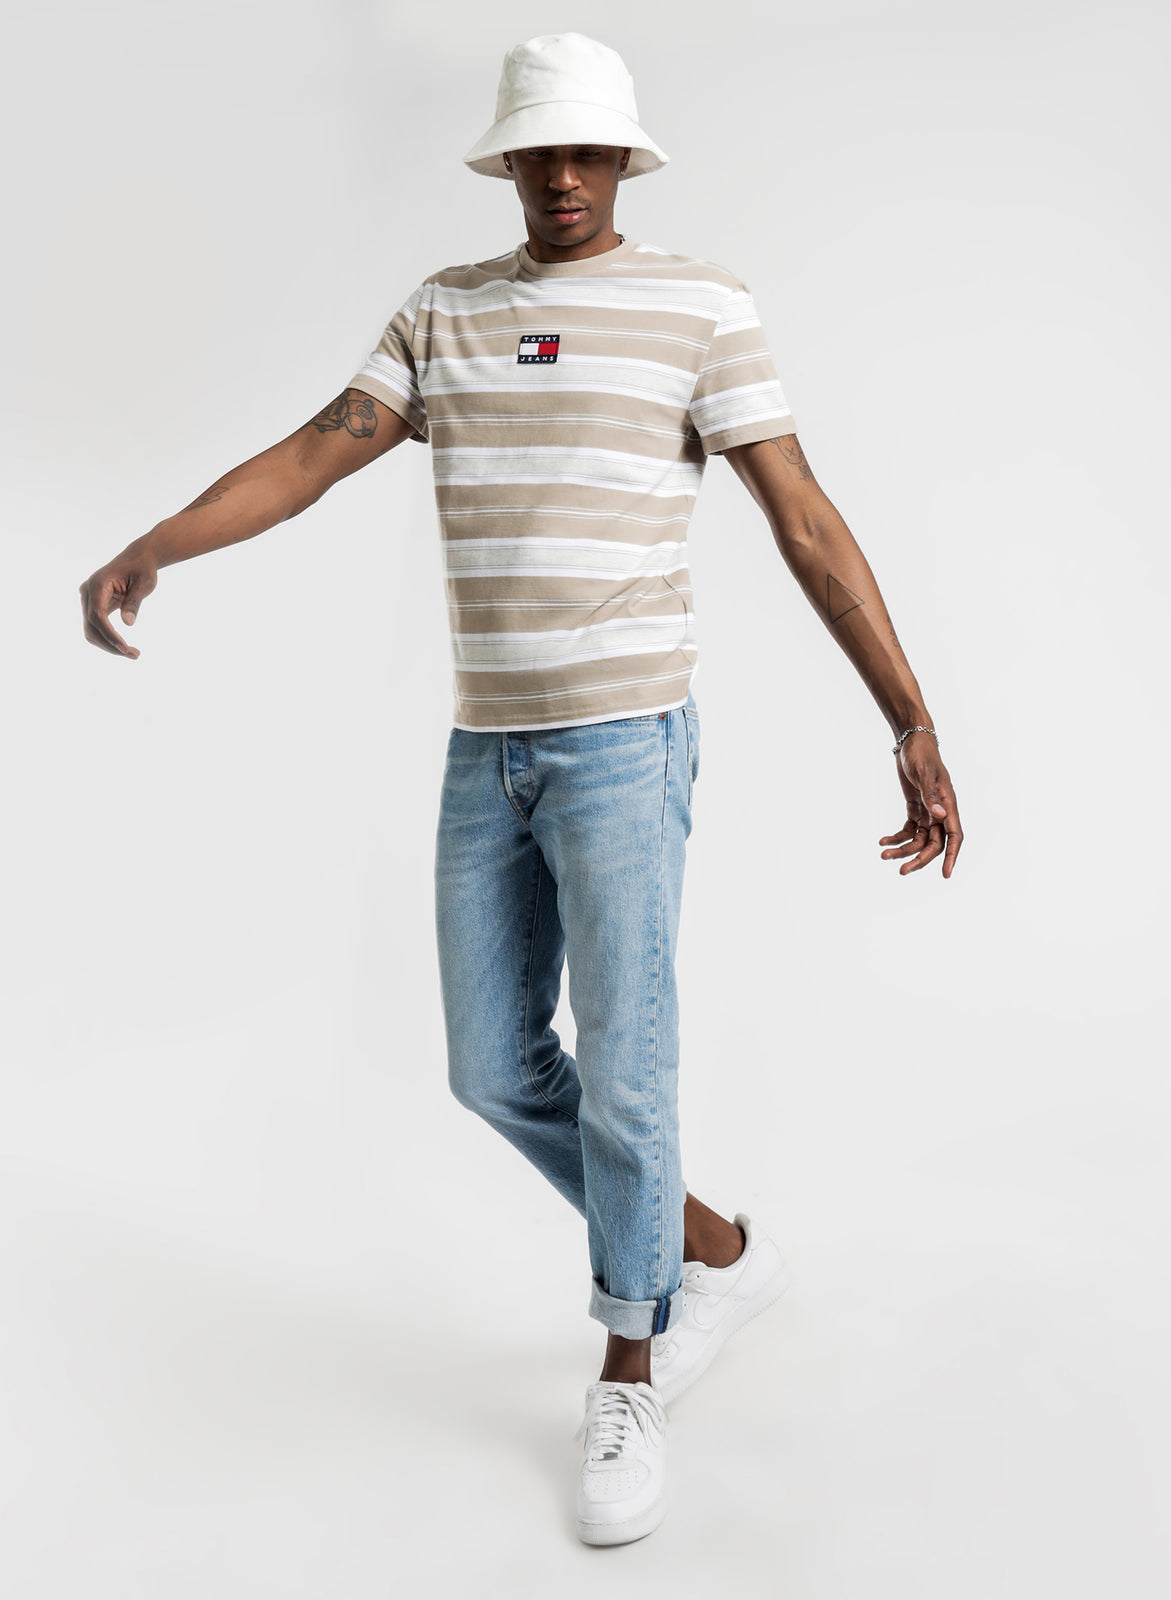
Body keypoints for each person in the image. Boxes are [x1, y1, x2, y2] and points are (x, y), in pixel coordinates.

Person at [79, 31, 963, 1547]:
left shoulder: (699, 306)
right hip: (486, 746)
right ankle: (713, 1253)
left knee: (626, 1068)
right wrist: (158, 539)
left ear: (623, 159)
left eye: (585, 150)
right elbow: (314, 453)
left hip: (625, 742)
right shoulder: (447, 312)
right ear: (508, 162)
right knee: (492, 1066)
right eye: (538, 151)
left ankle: (630, 1364)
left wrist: (910, 720)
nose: (562, 175)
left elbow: (804, 521)